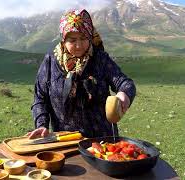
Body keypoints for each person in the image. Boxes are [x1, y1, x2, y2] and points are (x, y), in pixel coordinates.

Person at [27, 9, 136, 138]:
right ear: (63, 39)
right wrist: (41, 125)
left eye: (84, 38)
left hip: (101, 141)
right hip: (65, 140)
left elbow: (124, 82)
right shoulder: (51, 61)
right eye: (72, 40)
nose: (78, 45)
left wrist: (124, 95)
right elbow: (40, 98)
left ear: (90, 36)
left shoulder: (99, 58)